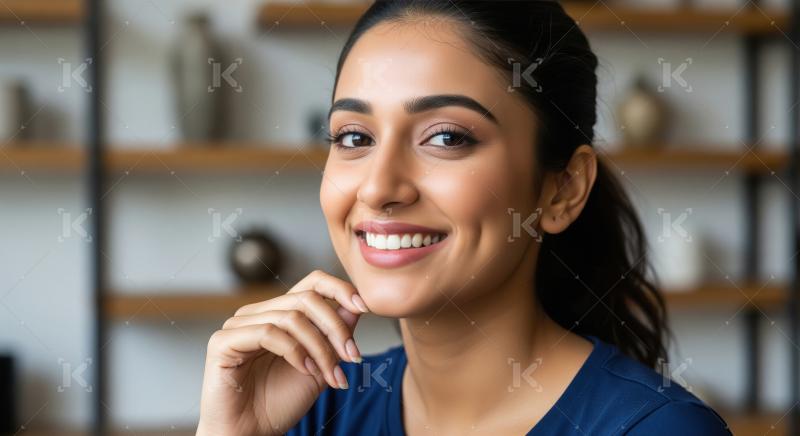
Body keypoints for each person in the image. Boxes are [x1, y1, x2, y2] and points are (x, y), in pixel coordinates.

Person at [196, 1, 732, 434]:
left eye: (447, 138)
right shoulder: (312, 406)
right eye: (354, 137)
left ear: (563, 189)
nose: (380, 188)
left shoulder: (658, 429)